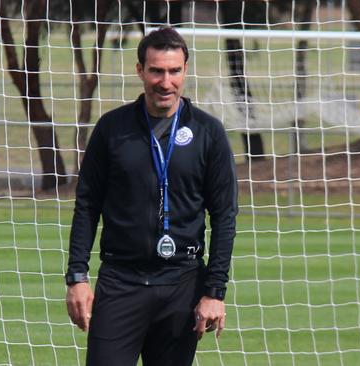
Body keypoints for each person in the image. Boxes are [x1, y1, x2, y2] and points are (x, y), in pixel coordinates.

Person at [65, 26, 237, 366]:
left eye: (174, 71)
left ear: (185, 70)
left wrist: (214, 292)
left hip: (182, 284)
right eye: (156, 70)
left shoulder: (209, 133)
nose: (165, 81)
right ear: (140, 70)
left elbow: (224, 216)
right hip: (121, 281)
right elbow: (86, 205)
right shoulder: (111, 129)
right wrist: (77, 277)